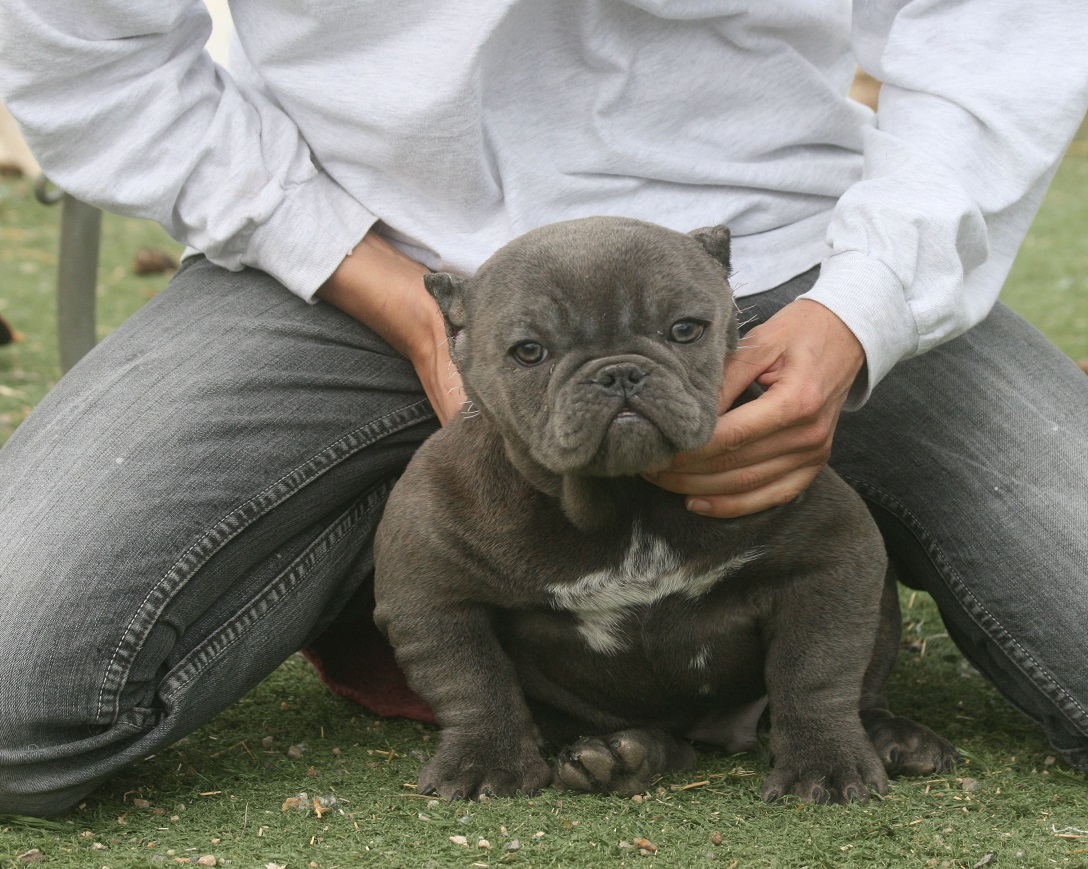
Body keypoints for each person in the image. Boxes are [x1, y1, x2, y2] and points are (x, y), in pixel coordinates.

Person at [0, 1, 1086, 817]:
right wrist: (349, 264)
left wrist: (868, 300)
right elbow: (81, 46)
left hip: (780, 254)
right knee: (19, 689)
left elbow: (997, 22)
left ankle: (690, 601)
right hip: (349, 246)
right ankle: (417, 556)